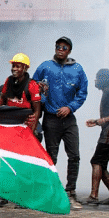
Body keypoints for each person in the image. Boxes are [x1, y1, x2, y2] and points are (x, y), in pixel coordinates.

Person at [33, 36, 88, 209]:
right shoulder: (45, 66)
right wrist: (41, 96)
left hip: (69, 118)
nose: (60, 49)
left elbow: (83, 92)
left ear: (69, 50)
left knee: (75, 155)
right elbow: (33, 86)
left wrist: (70, 107)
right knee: (51, 156)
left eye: (64, 47)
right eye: (58, 46)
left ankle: (70, 192)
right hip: (50, 118)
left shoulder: (78, 69)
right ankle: (50, 192)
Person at [0, 53, 42, 208]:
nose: (14, 69)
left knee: (22, 164)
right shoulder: (8, 81)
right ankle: (3, 196)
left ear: (25, 68)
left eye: (18, 66)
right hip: (8, 127)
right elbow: (2, 99)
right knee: (4, 161)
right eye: (13, 66)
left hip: (25, 127)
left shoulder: (32, 85)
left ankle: (23, 198)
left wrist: (30, 131)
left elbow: (37, 110)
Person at [81, 69, 109, 206]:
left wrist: (103, 120)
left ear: (104, 79)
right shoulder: (107, 92)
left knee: (96, 161)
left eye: (98, 77)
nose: (95, 80)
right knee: (102, 164)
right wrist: (97, 121)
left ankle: (94, 196)